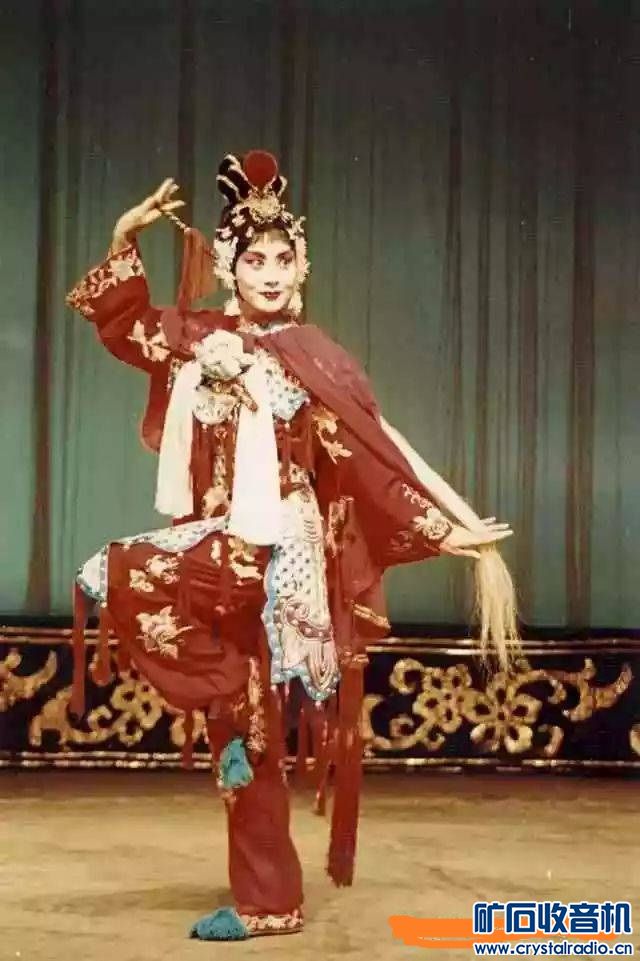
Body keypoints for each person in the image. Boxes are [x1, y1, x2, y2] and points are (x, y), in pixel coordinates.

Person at [66, 151, 515, 941]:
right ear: (229, 267)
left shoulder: (315, 357)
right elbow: (128, 329)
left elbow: (367, 458)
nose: (269, 274)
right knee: (239, 729)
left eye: (282, 259)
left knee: (124, 574)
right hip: (215, 538)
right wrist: (120, 240)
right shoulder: (201, 336)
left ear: (300, 267)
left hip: (279, 551)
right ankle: (268, 894)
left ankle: (226, 702)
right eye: (254, 260)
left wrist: (444, 528)